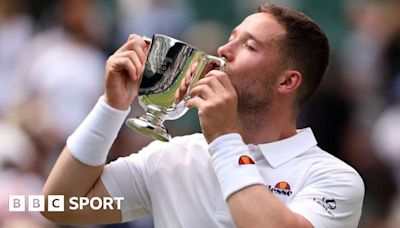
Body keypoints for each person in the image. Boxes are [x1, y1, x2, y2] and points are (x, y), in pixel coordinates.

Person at [41, 4, 364, 228]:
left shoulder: (333, 178)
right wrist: (112, 106)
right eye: (231, 38)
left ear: (287, 81)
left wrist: (225, 138)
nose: (224, 50)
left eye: (249, 46)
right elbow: (61, 205)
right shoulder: (174, 156)